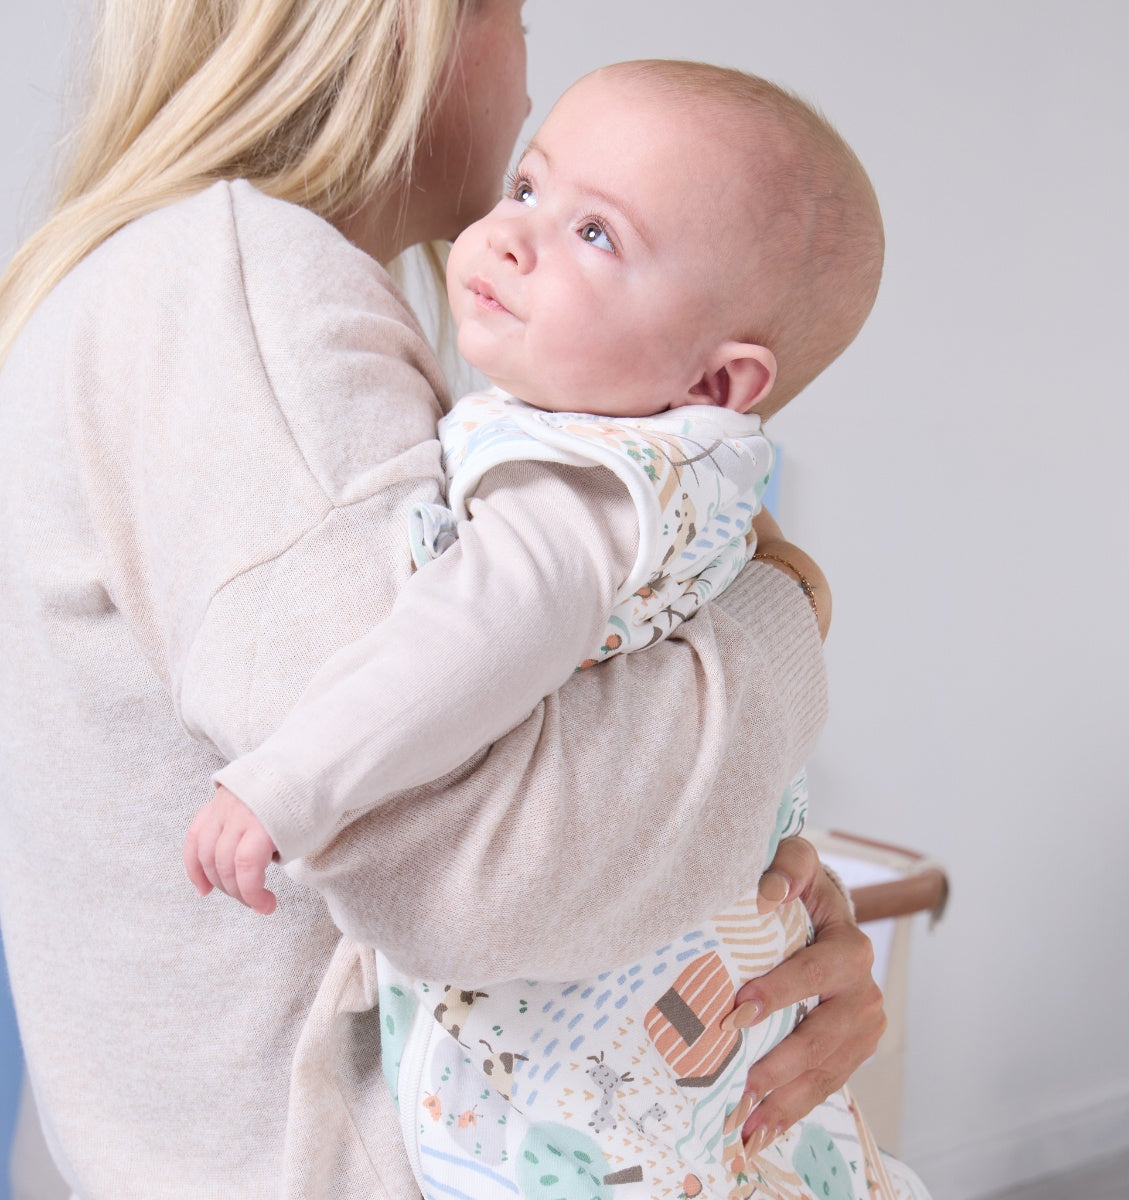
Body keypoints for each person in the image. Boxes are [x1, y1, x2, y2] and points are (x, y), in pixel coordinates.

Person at [0, 3, 883, 1197]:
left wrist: (753, 907)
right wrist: (786, 614)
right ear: (421, 31)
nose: (528, 69)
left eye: (593, 230)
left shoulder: (223, 291)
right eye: (516, 15)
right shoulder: (241, 290)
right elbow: (476, 875)